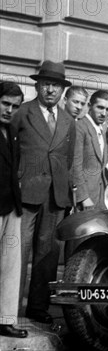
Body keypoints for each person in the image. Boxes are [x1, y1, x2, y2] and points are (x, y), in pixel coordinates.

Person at [13, 60, 76, 325]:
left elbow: (68, 159)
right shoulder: (21, 113)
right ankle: (9, 309)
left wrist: (65, 191)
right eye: (46, 84)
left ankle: (38, 308)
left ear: (62, 90)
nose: (51, 90)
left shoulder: (68, 120)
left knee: (48, 255)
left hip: (55, 197)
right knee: (17, 252)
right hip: (25, 195)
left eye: (56, 85)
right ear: (37, 85)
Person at [0, 82, 28, 338]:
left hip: (11, 206)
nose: (9, 110)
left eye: (15, 106)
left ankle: (6, 319)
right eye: (5, 104)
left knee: (10, 265)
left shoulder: (12, 132)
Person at [73, 90, 108, 210]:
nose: (104, 113)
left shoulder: (101, 129)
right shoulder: (80, 127)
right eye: (100, 108)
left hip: (100, 195)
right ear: (90, 106)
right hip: (85, 197)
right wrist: (83, 197)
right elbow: (75, 165)